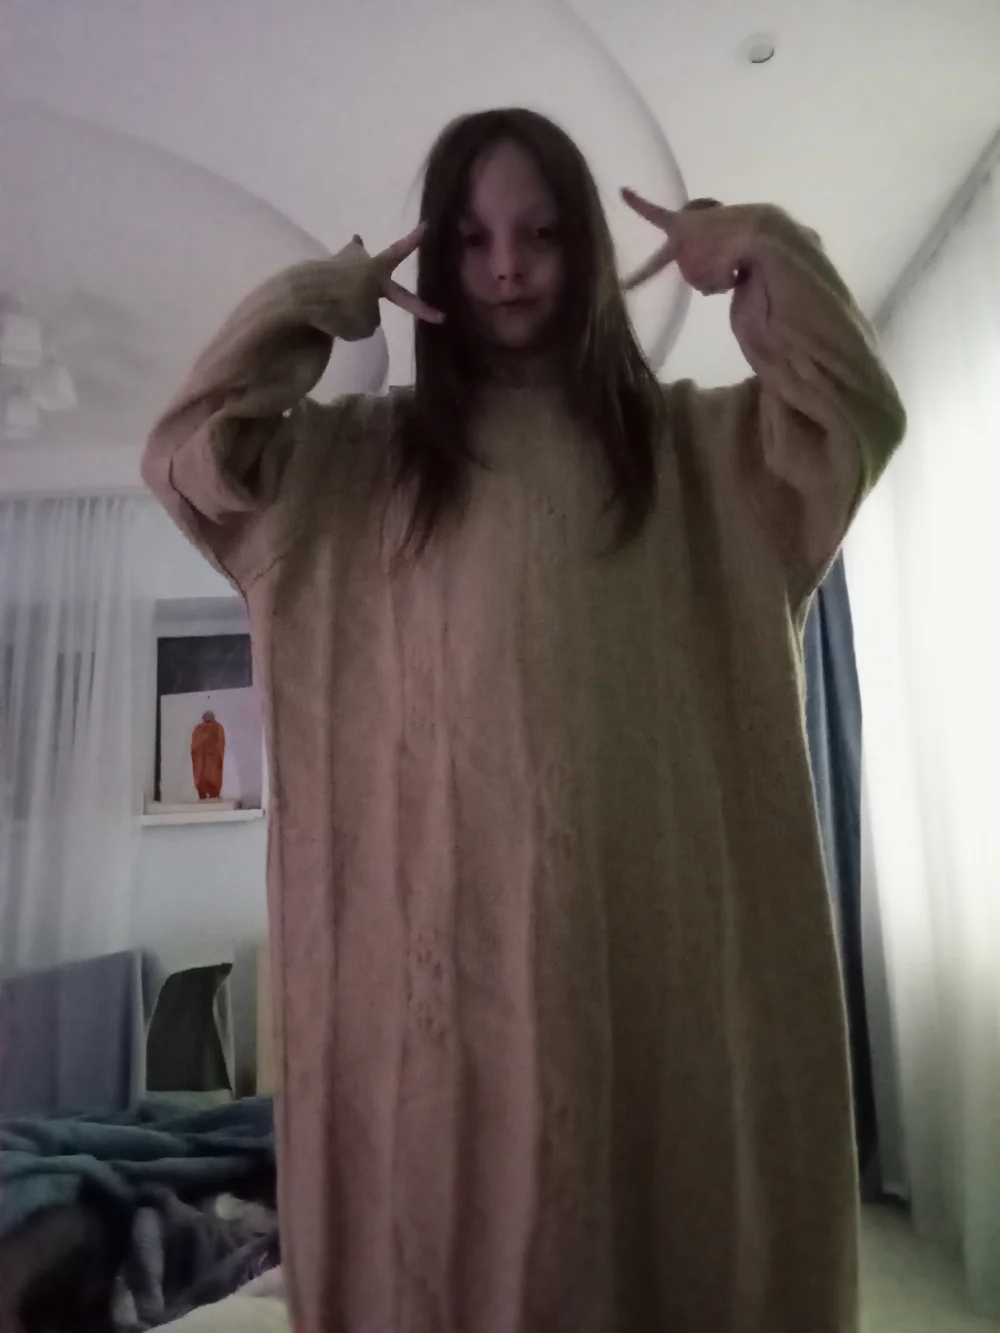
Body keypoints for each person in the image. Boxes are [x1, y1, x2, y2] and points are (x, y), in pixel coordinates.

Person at [143, 107, 905, 1333]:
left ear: (588, 248)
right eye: (473, 237)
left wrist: (768, 251)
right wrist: (302, 308)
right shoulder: (354, 466)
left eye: (542, 233)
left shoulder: (699, 451)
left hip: (653, 973)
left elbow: (853, 415)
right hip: (440, 995)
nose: (506, 266)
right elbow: (193, 458)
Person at [190, 708, 226, 800]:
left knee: (212, 775)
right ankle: (202, 793)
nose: (207, 718)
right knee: (201, 776)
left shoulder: (218, 727)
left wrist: (213, 751)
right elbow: (195, 744)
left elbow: (220, 742)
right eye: (206, 716)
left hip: (213, 758)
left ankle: (214, 793)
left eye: (209, 716)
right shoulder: (198, 729)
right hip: (201, 758)